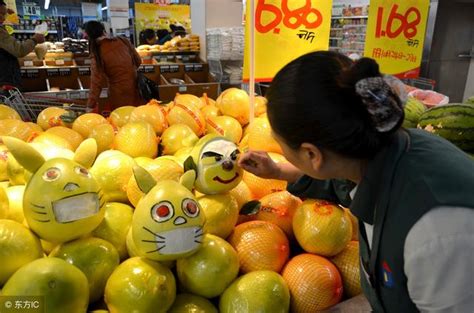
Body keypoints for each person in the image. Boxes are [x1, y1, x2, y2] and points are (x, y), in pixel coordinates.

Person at [239, 51, 474, 313]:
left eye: (279, 144)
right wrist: (277, 171)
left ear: (311, 154)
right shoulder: (378, 152)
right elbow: (341, 183)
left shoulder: (436, 233)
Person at [84, 21, 145, 113]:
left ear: (88, 36)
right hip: (136, 88)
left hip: (118, 94)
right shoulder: (122, 40)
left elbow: (96, 83)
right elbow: (138, 61)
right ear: (103, 30)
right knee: (136, 117)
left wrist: (90, 105)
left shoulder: (97, 52)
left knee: (122, 121)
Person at [0, 0, 44, 88]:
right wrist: (35, 39)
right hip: (4, 81)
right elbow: (19, 50)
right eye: (1, 14)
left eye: (4, 14)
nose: (4, 18)